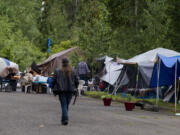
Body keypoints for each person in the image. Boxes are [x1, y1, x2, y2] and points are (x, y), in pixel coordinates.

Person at [53, 57, 79, 125]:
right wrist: (75, 88)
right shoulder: (73, 70)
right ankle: (64, 119)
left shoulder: (58, 70)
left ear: (62, 63)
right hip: (70, 90)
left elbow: (54, 80)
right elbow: (77, 81)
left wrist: (53, 88)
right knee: (66, 105)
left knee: (64, 105)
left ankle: (65, 119)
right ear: (68, 63)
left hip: (61, 90)